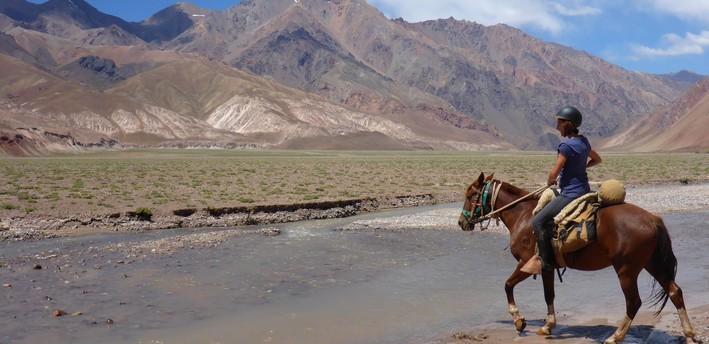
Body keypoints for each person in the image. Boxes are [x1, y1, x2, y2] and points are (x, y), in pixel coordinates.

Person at [524, 106, 602, 274]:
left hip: (570, 194)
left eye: (559, 122)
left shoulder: (565, 146)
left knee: (538, 221)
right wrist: (581, 168)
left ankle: (545, 262)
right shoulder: (584, 141)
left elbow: (556, 170)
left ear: (567, 124)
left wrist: (551, 180)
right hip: (585, 191)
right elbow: (597, 159)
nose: (557, 126)